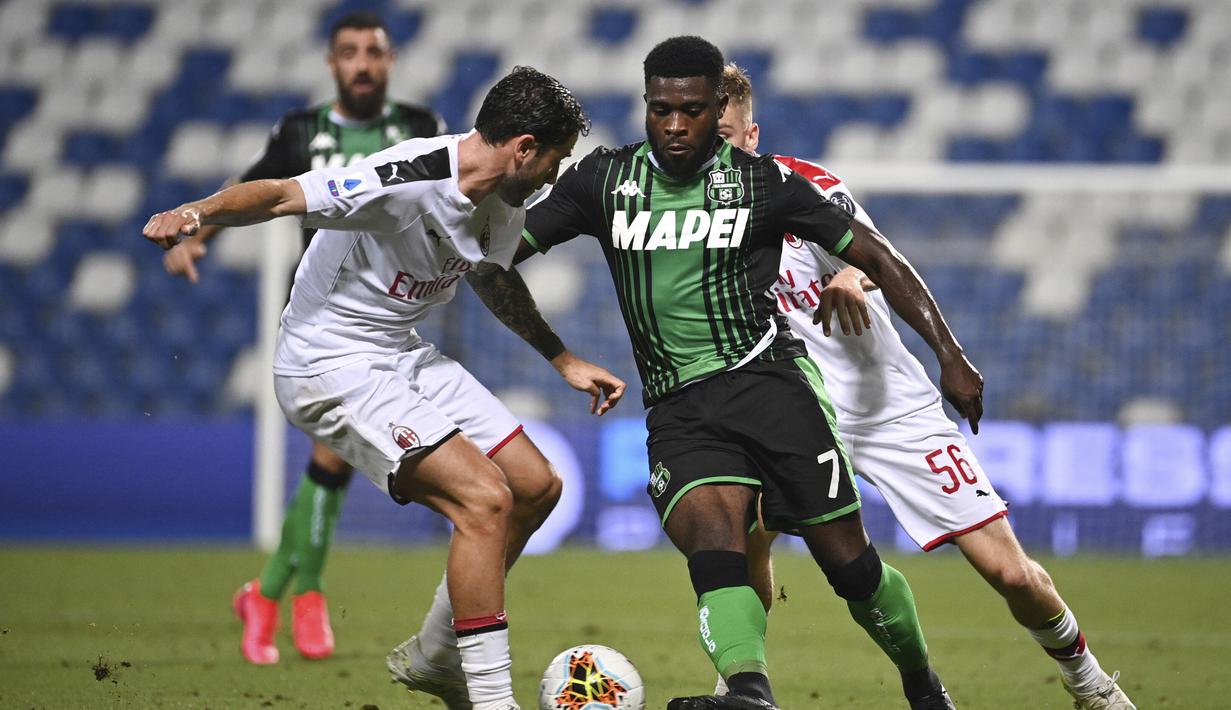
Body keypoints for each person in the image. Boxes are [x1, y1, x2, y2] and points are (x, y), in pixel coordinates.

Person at [399, 36, 978, 710]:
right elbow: (492, 261)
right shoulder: (604, 182)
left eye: (693, 111)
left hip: (773, 388)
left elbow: (875, 254)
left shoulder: (764, 185)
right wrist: (557, 353)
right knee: (712, 544)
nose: (675, 126)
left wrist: (949, 353)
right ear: (646, 105)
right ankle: (749, 693)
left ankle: (920, 682)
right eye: (660, 109)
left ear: (716, 109)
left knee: (849, 566)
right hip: (681, 410)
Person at [144, 66, 625, 710]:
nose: (555, 177)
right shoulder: (406, 178)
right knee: (484, 502)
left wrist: (562, 358)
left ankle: (433, 654)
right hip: (328, 361)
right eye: (555, 160)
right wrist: (196, 211)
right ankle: (490, 699)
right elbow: (282, 195)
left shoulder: (506, 202)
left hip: (399, 351)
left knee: (537, 486)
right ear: (524, 147)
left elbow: (492, 276)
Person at [715, 63, 1136, 710]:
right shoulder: (680, 214)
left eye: (723, 134)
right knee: (745, 534)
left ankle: (1088, 681)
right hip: (791, 411)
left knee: (1005, 570)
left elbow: (880, 258)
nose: (708, 148)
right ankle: (738, 688)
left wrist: (855, 281)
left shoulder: (805, 188)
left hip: (886, 407)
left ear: (750, 135)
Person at [162, 11, 445, 664]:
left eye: (373, 52)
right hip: (322, 320)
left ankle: (265, 595)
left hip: (388, 315)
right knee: (330, 456)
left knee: (332, 458)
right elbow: (253, 191)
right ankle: (302, 593)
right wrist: (196, 233)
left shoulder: (420, 129)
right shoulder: (300, 132)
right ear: (331, 64)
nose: (362, 64)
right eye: (349, 53)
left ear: (391, 60)